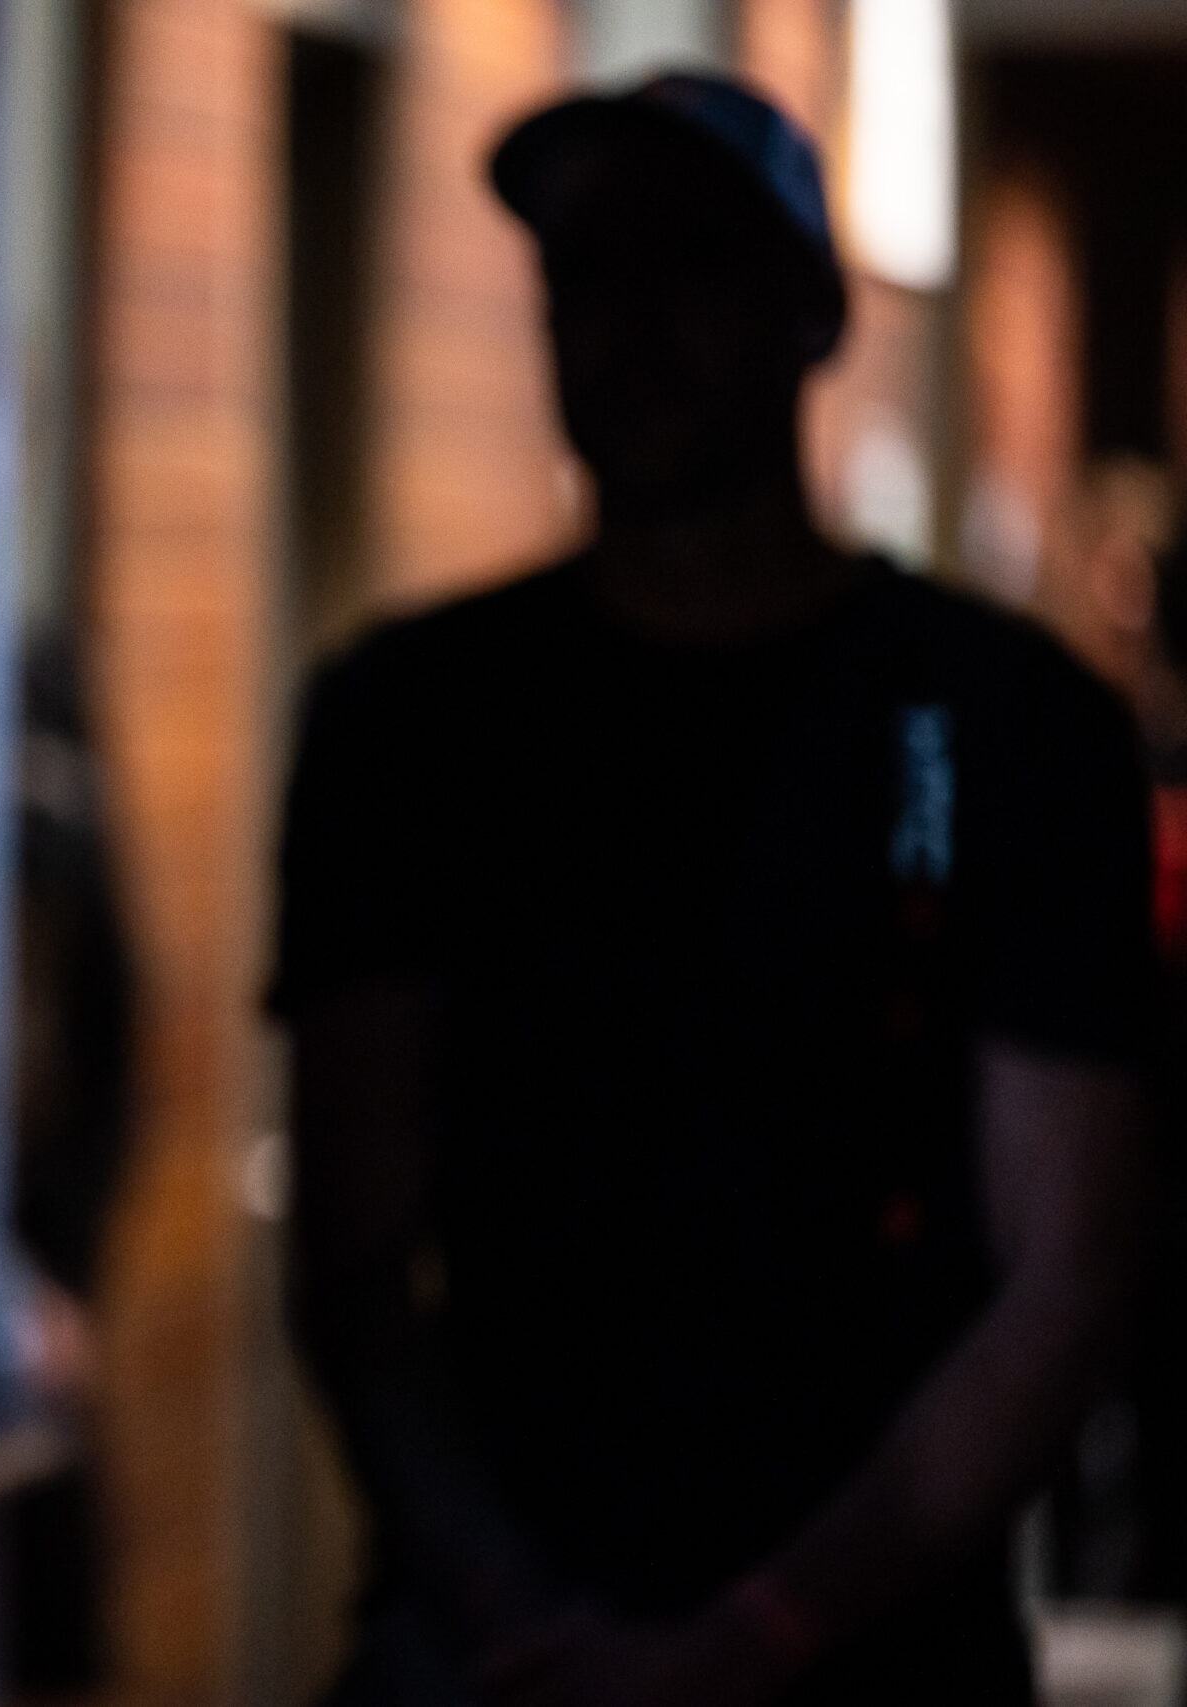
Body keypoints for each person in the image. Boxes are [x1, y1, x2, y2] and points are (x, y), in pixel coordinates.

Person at [275, 75, 1150, 1707]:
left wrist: (760, 1638)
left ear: (814, 313)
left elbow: (1072, 1269)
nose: (630, 324)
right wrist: (526, 1622)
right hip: (493, 1654)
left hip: (887, 1656)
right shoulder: (413, 717)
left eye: (690, 264)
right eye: (583, 276)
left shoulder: (1007, 724)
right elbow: (351, 1259)